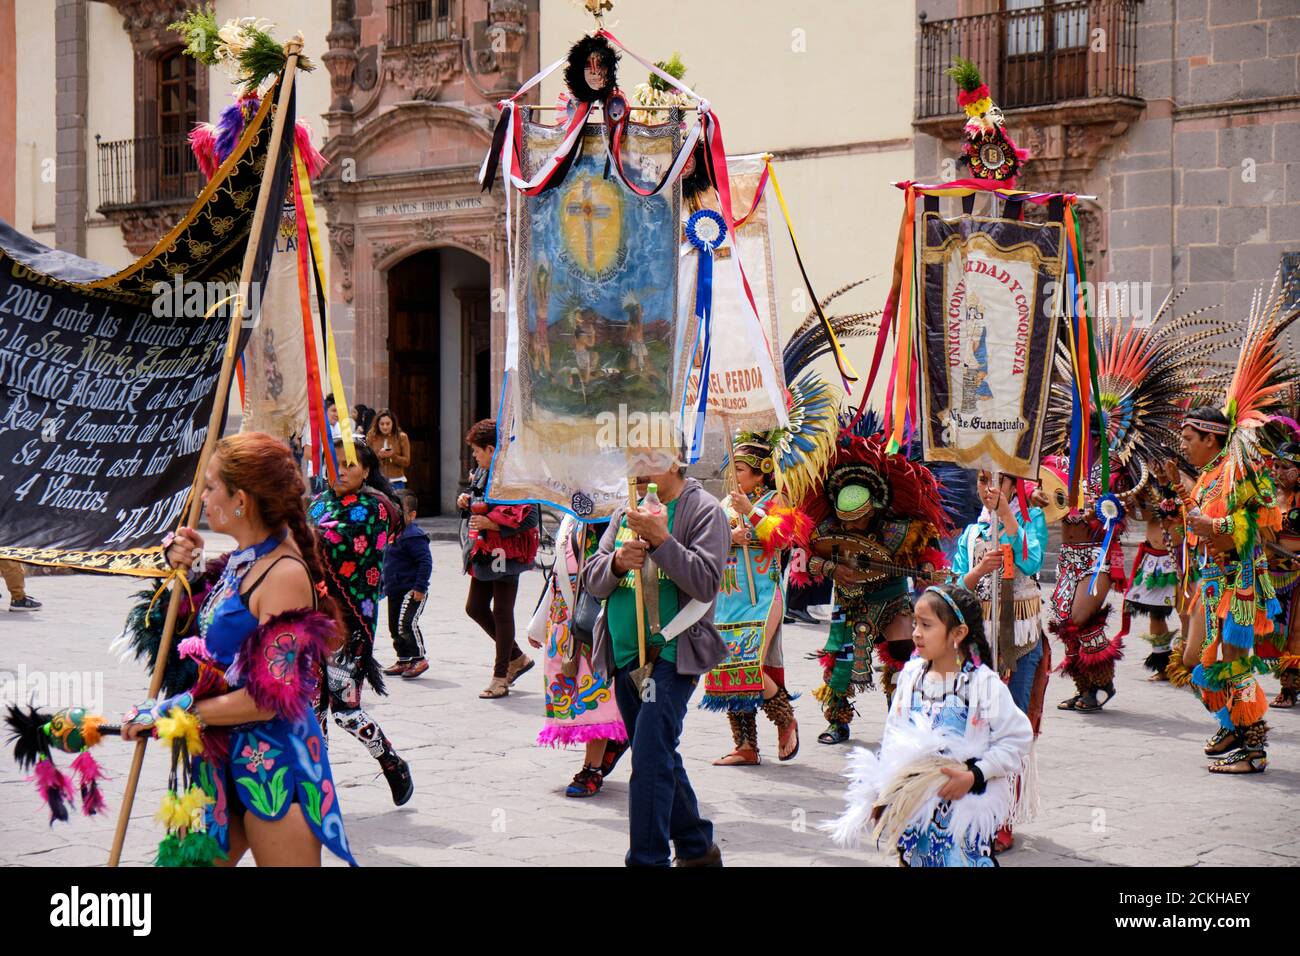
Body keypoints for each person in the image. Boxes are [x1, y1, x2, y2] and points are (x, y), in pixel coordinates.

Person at [120, 432, 357, 866]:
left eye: (210, 486)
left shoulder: (282, 574)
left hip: (275, 770)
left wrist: (173, 713)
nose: (203, 497)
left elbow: (267, 700)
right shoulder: (243, 560)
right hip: (221, 763)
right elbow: (192, 646)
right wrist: (182, 573)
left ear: (241, 500)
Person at [582, 456, 730, 866]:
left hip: (671, 653)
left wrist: (663, 541)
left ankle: (647, 860)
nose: (638, 469)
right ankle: (698, 847)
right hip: (625, 654)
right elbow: (592, 579)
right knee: (658, 750)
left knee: (648, 757)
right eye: (634, 460)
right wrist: (615, 563)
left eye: (648, 459)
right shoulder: (624, 508)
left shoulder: (705, 511)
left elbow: (705, 582)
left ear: (676, 461)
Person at [823, 584, 1032, 867]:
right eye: (915, 623)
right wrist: (882, 791)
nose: (916, 633)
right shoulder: (911, 678)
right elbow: (893, 737)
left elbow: (1017, 738)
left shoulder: (982, 684)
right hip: (915, 814)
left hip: (962, 817)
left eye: (926, 625)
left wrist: (974, 774)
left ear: (958, 633)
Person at [796, 429, 949, 744]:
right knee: (839, 664)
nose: (849, 527)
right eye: (845, 521)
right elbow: (805, 562)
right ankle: (837, 721)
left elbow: (928, 552)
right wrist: (831, 567)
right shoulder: (827, 530)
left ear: (872, 509)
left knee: (903, 652)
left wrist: (927, 569)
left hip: (891, 597)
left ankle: (902, 719)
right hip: (850, 603)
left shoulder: (899, 528)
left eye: (856, 521)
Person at [1171, 407, 1280, 773]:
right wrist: (1175, 487)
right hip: (1213, 580)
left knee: (1235, 663)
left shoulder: (1240, 471)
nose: (1183, 446)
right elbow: (1200, 522)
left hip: (1239, 581)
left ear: (1210, 439)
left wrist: (1213, 522)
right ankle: (1234, 723)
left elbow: (1262, 517)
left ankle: (1254, 748)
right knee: (1191, 660)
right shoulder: (1207, 477)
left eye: (1188, 440)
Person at [949, 469, 1049, 852]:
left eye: (996, 481)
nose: (986, 488)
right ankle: (976, 808)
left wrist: (1008, 514)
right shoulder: (973, 532)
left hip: (1019, 639)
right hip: (978, 642)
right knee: (975, 726)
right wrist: (978, 571)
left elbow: (1031, 559)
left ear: (1012, 485)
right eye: (980, 480)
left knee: (1013, 723)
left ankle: (1003, 814)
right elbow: (957, 585)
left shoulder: (1031, 517)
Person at [309, 437, 414, 804]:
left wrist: (291, 536)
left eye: (349, 464)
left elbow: (338, 542)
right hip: (309, 621)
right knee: (312, 710)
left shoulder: (376, 509)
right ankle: (317, 788)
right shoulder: (318, 503)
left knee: (345, 712)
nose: (340, 470)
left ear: (366, 470)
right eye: (334, 462)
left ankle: (391, 761)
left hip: (347, 625)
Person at [704, 438, 803, 766]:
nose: (734, 476)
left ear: (760, 475)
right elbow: (705, 543)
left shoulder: (776, 500)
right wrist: (728, 537)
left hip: (761, 595)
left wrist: (753, 513)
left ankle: (784, 717)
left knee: (747, 665)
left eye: (741, 470)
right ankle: (745, 745)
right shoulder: (724, 504)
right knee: (726, 666)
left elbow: (785, 539)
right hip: (727, 597)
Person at [527, 514, 629, 797]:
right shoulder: (570, 520)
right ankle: (612, 741)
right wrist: (538, 622)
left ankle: (591, 768)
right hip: (562, 620)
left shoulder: (611, 519)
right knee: (566, 690)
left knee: (596, 692)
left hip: (595, 619)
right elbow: (556, 575)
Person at [458, 418, 539, 699]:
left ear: (491, 449)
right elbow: (482, 500)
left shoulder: (515, 475)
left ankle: (500, 675)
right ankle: (517, 657)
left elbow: (530, 517)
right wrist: (467, 501)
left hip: (507, 550)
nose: (475, 457)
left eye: (478, 451)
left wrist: (493, 524)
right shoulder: (484, 472)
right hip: (484, 549)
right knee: (475, 606)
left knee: (503, 612)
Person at [1048, 458, 1127, 714]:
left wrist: (1104, 512)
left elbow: (1128, 509)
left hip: (1096, 554)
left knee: (1080, 617)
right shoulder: (1059, 461)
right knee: (1066, 623)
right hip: (1068, 555)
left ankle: (1104, 683)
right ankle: (1084, 688)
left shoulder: (1112, 467)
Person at [1122, 490, 1182, 681]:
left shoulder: (1184, 483)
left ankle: (1186, 665)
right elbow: (1141, 515)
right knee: (1156, 615)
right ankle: (1163, 666)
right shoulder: (1147, 486)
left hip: (1180, 560)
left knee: (1187, 615)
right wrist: (1134, 502)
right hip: (1154, 561)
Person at [383, 491, 432, 679]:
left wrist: (420, 587)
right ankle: (403, 659)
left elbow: (425, 562)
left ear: (412, 515)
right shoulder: (392, 533)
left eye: (400, 511)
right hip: (394, 588)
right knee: (394, 626)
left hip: (412, 589)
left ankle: (419, 658)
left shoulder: (413, 535)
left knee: (407, 623)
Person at [1267, 442, 1300, 707]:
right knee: (1276, 630)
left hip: (1298, 572)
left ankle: (1288, 688)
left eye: (1285, 467)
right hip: (1271, 571)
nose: (1278, 472)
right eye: (1275, 466)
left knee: (1296, 631)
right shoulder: (1266, 497)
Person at [367, 408, 411, 492]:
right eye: (382, 424)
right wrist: (379, 456)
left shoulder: (402, 437)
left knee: (396, 505)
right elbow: (367, 461)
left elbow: (407, 462)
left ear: (393, 423)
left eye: (388, 423)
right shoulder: (371, 437)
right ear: (377, 424)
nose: (385, 427)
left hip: (396, 481)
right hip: (377, 481)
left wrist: (393, 456)